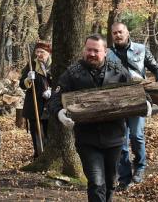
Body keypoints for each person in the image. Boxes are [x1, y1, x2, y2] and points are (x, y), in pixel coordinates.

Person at [48, 34, 151, 202]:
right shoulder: (73, 74)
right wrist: (59, 112)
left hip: (115, 138)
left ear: (105, 51)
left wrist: (146, 102)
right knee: (96, 183)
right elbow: (55, 99)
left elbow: (136, 91)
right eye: (89, 50)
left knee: (111, 183)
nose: (92, 54)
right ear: (84, 50)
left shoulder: (118, 70)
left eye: (96, 50)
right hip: (87, 140)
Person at [107, 22, 158, 189]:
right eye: (115, 33)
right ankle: (124, 178)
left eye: (120, 32)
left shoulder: (140, 49)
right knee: (121, 141)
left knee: (136, 135)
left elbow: (156, 67)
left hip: (138, 97)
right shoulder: (108, 54)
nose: (118, 35)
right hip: (117, 100)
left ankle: (140, 167)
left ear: (127, 33)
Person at [19, 40, 53, 159]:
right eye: (37, 52)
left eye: (41, 52)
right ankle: (39, 155)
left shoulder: (54, 66)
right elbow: (22, 84)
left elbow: (61, 82)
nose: (38, 54)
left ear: (48, 53)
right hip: (34, 105)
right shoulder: (31, 65)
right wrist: (28, 79)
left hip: (50, 105)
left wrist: (52, 91)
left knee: (49, 131)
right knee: (36, 133)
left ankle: (48, 155)